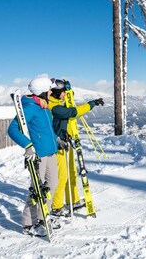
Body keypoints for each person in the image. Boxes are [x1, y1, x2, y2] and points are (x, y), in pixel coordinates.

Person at [7, 76, 63, 237]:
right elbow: (12, 130)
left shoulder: (43, 107)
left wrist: (56, 139)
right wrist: (28, 146)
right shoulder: (30, 107)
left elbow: (46, 129)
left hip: (50, 152)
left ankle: (43, 216)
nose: (52, 91)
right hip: (38, 155)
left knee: (52, 184)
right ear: (43, 91)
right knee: (36, 189)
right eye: (50, 89)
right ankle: (28, 224)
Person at [47, 78, 104, 217]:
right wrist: (92, 103)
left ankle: (73, 200)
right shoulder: (54, 107)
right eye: (63, 92)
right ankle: (57, 206)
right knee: (62, 177)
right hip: (58, 146)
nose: (65, 94)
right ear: (56, 92)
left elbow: (68, 99)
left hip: (67, 142)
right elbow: (73, 112)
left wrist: (68, 88)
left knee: (72, 172)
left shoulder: (59, 101)